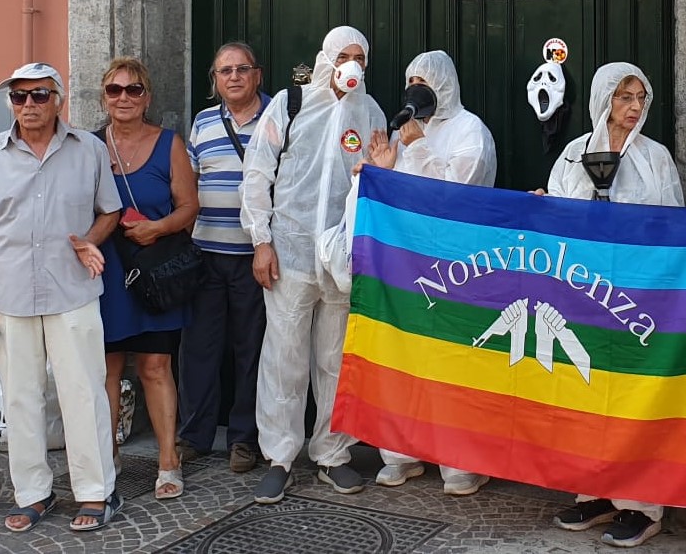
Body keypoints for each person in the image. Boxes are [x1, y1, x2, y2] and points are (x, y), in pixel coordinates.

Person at [0, 62, 126, 534]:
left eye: (39, 96)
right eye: (19, 97)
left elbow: (111, 211)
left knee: (83, 392)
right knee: (21, 398)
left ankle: (96, 491)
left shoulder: (89, 149)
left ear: (59, 100)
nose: (28, 105)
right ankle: (34, 493)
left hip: (71, 289)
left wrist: (91, 239)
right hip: (6, 293)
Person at [241, 26, 385, 503]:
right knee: (283, 358)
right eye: (343, 56)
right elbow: (258, 173)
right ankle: (279, 457)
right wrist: (261, 240)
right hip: (290, 251)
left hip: (341, 258)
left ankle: (332, 453)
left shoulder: (371, 112)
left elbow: (380, 185)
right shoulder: (290, 103)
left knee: (335, 359)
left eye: (359, 58)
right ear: (326, 57)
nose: (352, 66)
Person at [545, 61, 683, 548]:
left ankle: (641, 506)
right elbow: (557, 218)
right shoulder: (571, 154)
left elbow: (671, 225)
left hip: (635, 298)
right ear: (604, 99)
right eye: (624, 97)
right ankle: (593, 492)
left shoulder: (655, 158)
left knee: (632, 396)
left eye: (640, 98)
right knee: (584, 389)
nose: (634, 107)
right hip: (582, 294)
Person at [363, 50, 497, 496]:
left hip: (460, 269)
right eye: (411, 79)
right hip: (408, 266)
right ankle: (401, 452)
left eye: (426, 79)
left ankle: (461, 461)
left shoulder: (470, 130)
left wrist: (418, 145)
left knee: (455, 362)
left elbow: (455, 194)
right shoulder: (404, 132)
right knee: (406, 357)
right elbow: (396, 198)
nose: (418, 86)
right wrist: (384, 168)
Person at [95, 57, 199, 501]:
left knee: (156, 367)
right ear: (104, 98)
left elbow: (190, 206)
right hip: (107, 272)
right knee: (108, 369)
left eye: (133, 90)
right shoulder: (89, 146)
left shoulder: (168, 144)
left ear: (147, 97)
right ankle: (107, 456)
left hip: (155, 273)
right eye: (115, 90)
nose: (124, 98)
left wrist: (158, 228)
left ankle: (168, 461)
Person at [178, 42, 272, 475]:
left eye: (241, 69)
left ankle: (243, 440)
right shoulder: (202, 121)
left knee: (251, 351)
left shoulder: (280, 118)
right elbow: (191, 181)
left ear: (257, 74)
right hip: (205, 255)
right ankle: (195, 436)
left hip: (256, 257)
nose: (232, 77)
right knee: (199, 349)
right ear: (214, 81)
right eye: (224, 71)